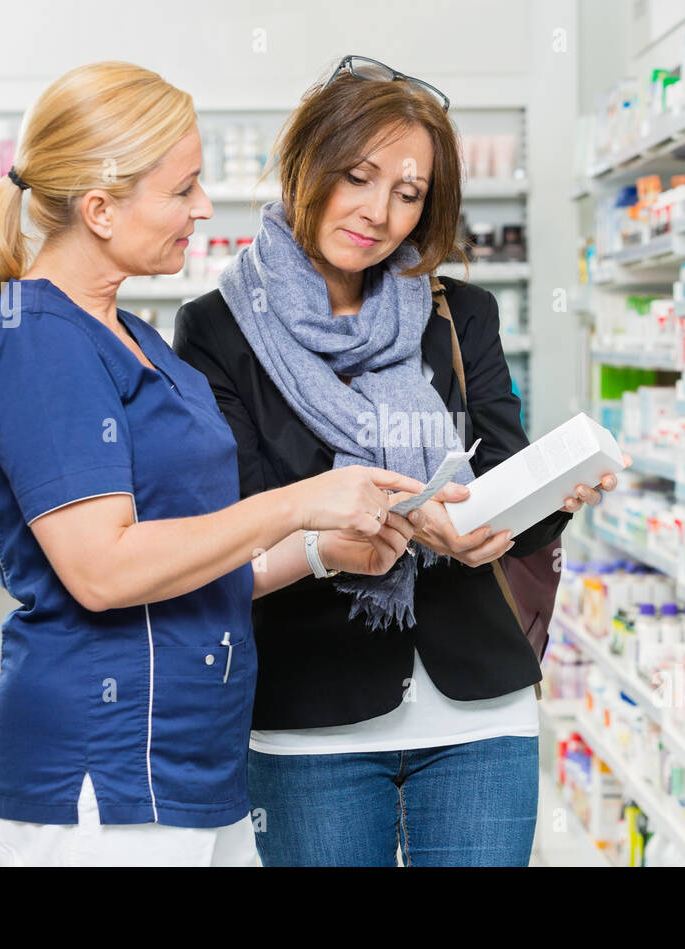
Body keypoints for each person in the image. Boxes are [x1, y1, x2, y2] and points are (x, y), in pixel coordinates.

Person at [0, 60, 425, 867]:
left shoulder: (134, 337)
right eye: (182, 189)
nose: (203, 207)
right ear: (100, 208)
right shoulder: (39, 342)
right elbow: (104, 571)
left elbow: (193, 563)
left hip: (193, 762)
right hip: (107, 767)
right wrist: (300, 502)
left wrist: (324, 551)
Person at [173, 55, 622, 867]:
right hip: (312, 716)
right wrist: (402, 523)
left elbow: (504, 487)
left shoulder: (460, 314)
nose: (378, 213)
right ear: (305, 164)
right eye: (357, 177)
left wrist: (551, 494)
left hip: (479, 712)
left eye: (408, 194)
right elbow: (237, 520)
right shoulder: (218, 328)